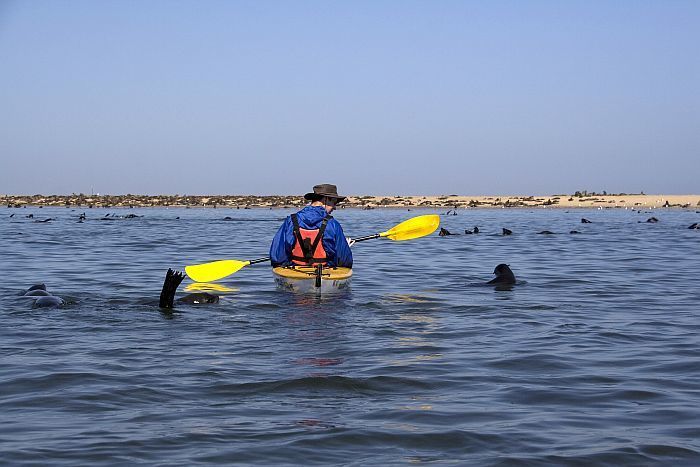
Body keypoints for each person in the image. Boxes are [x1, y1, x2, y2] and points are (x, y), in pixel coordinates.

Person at [270, 184, 353, 268]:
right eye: (334, 203)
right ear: (326, 199)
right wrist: (345, 247)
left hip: (295, 270)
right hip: (325, 271)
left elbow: (277, 257)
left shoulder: (291, 221)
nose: (334, 207)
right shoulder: (333, 224)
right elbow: (344, 261)